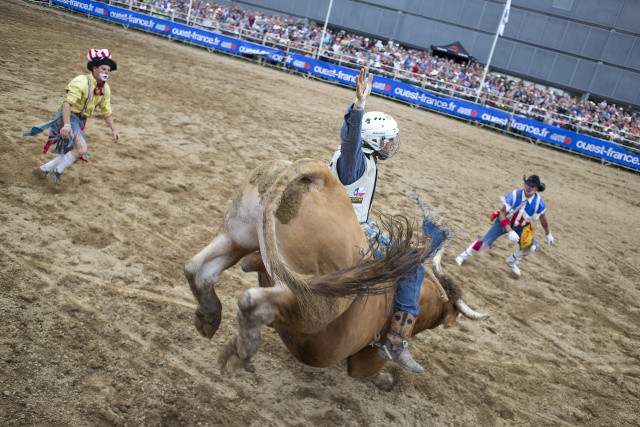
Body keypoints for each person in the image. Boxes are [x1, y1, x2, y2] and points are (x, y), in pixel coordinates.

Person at [328, 67, 424, 373]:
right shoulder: (354, 160)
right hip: (352, 230)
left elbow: (349, 140)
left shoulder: (357, 159)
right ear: (374, 140)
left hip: (342, 221)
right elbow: (351, 137)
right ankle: (396, 338)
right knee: (411, 264)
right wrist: (358, 107)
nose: (391, 147)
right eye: (388, 141)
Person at [25, 49, 120, 190]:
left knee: (72, 152)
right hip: (68, 117)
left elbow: (106, 111)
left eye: (108, 70)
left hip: (80, 121)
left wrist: (114, 130)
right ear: (94, 68)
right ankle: (56, 173)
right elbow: (67, 104)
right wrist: (67, 124)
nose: (106, 72)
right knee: (81, 149)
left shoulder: (105, 89)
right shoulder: (81, 81)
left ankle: (43, 169)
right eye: (103, 68)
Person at [455, 175, 555, 276]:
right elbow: (502, 214)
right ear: (524, 184)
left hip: (522, 227)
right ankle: (463, 256)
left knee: (531, 247)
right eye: (528, 185)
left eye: (532, 186)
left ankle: (512, 260)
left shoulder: (539, 202)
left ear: (537, 188)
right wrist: (510, 230)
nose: (529, 188)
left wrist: (548, 234)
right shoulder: (514, 195)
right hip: (503, 222)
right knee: (485, 242)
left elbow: (543, 218)